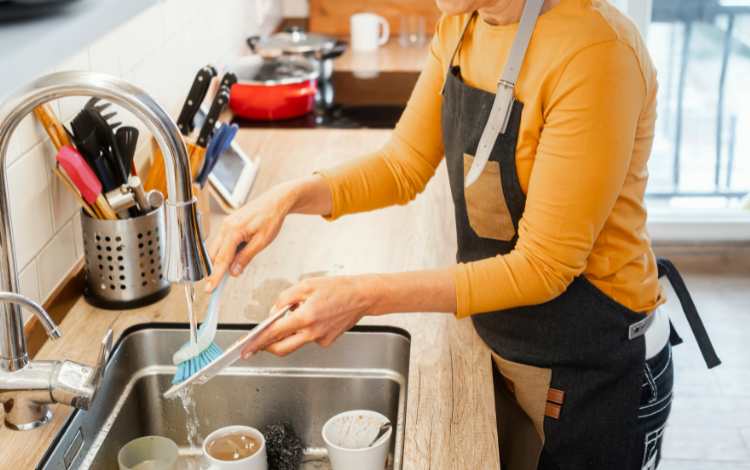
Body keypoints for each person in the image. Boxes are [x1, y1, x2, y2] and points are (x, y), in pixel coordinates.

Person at [205, 1, 719, 468]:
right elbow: (403, 165)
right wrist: (290, 197)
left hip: (594, 368)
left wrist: (363, 296)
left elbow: (545, 267)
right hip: (501, 341)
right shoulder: (463, 22)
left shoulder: (596, 53)